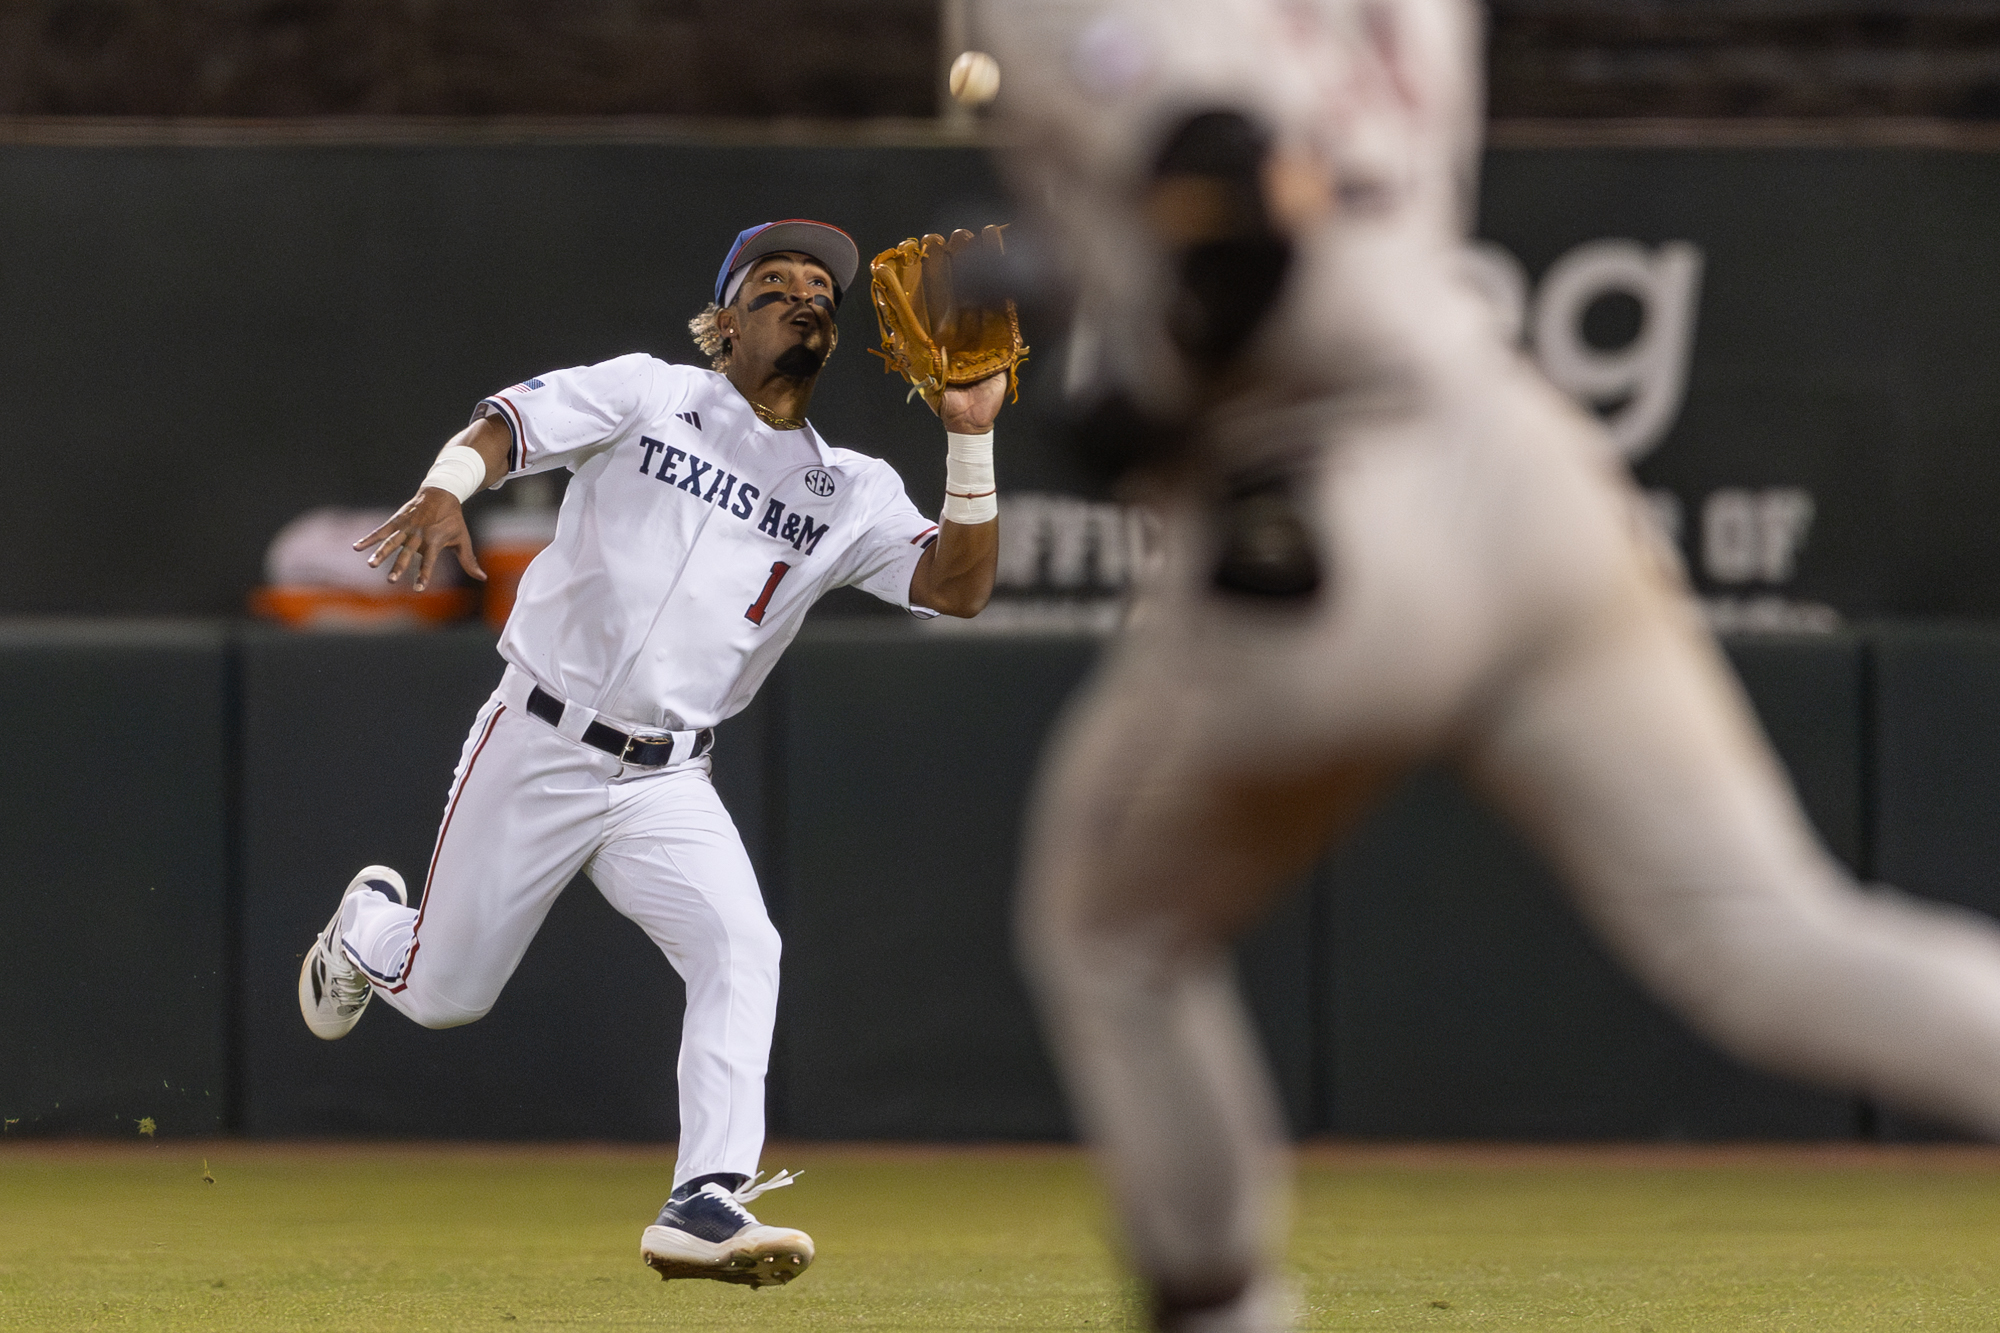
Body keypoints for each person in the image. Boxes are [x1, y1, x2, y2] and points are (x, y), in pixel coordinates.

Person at [981, 3, 2000, 1330]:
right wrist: (1089, 270)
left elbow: (1233, 189)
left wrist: (1136, 408)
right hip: (1518, 463)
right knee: (1773, 934)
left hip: (1326, 493)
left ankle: (1220, 1307)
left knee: (1113, 934)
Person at [296, 219, 1007, 1288]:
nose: (806, 294)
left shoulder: (847, 488)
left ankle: (704, 1197)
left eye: (822, 287)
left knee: (741, 947)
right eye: (774, 284)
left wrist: (968, 435)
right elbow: (509, 421)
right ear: (722, 324)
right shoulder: (649, 393)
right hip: (538, 735)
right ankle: (366, 925)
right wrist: (449, 482)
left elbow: (956, 587)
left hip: (664, 777)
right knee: (446, 993)